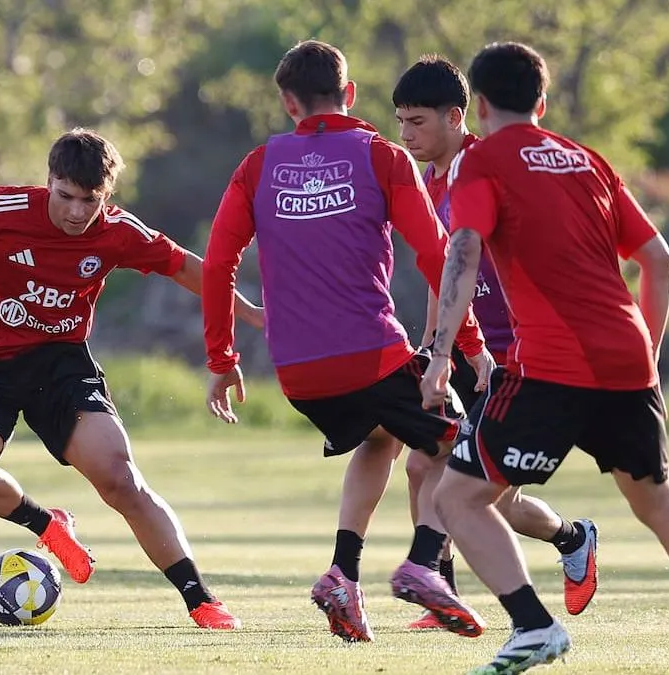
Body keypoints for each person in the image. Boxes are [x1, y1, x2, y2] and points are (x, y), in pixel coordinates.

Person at [419, 42, 669, 674]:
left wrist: (439, 353)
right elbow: (658, 260)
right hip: (628, 363)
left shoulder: (482, 161)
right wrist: (648, 359)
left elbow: (464, 249)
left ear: (480, 105)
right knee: (659, 504)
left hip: (552, 366)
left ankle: (533, 626)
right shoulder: (588, 161)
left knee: (458, 498)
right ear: (542, 102)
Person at [0, 128, 264, 630]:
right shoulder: (2, 209)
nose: (78, 213)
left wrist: (248, 311)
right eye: (66, 197)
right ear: (49, 181)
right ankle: (46, 524)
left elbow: (184, 266)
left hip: (61, 365)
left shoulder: (118, 231)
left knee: (120, 479)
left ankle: (200, 599)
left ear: (107, 196)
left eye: (91, 201)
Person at [201, 39, 494, 643]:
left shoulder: (257, 165)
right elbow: (437, 255)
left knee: (381, 437)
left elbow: (218, 264)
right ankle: (423, 562)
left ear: (289, 103)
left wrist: (222, 359)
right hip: (371, 355)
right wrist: (468, 344)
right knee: (464, 445)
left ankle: (343, 576)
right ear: (351, 94)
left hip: (298, 373)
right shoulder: (383, 157)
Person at [391, 54, 600, 631]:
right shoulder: (426, 183)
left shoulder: (490, 168)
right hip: (460, 350)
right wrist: (432, 348)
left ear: (456, 117)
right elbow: (440, 271)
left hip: (509, 356)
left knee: (485, 495)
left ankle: (571, 537)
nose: (405, 135)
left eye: (417, 122)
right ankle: (442, 593)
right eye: (401, 122)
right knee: (425, 468)